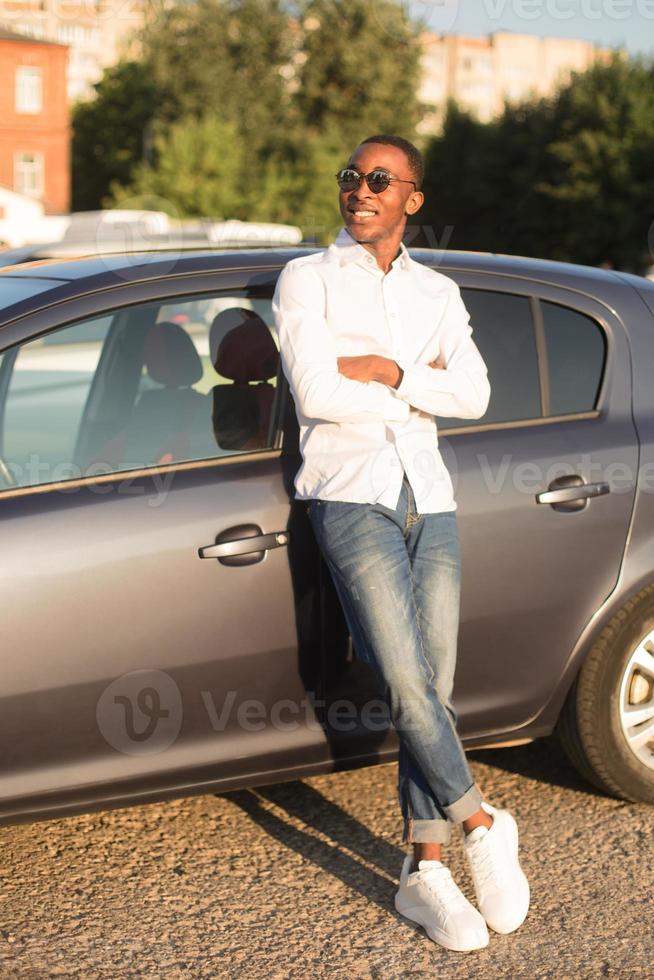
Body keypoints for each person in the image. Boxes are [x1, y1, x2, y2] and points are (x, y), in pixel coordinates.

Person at [272, 134, 529, 953]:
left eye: (380, 179)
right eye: (351, 175)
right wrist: (420, 395)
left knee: (438, 687)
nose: (361, 188)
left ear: (411, 198)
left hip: (431, 497)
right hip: (350, 498)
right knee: (406, 681)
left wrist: (388, 374)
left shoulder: (438, 292)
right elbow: (314, 393)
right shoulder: (306, 279)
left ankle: (424, 871)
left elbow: (478, 393)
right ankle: (482, 823)